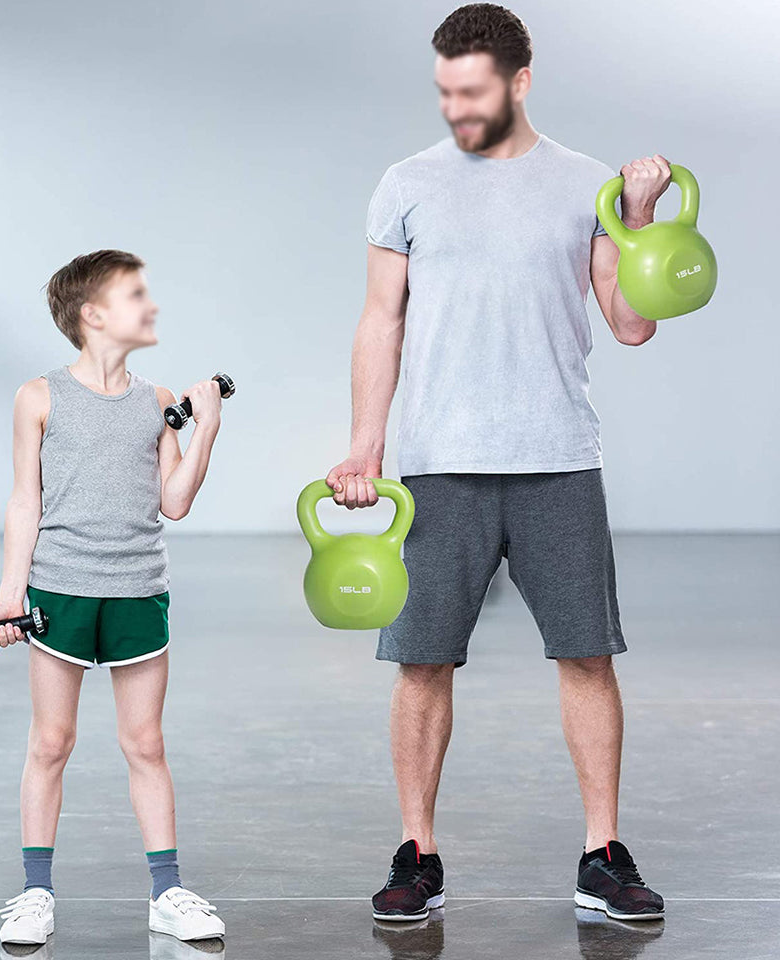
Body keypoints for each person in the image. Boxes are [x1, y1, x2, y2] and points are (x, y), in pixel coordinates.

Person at [326, 4, 666, 923]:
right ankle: (417, 852)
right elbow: (380, 321)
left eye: (472, 89)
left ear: (519, 82)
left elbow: (631, 323)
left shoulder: (586, 183)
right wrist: (367, 442)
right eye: (445, 89)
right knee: (421, 660)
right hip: (439, 464)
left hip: (558, 456)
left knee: (588, 657)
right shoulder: (406, 183)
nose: (456, 105)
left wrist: (635, 216)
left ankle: (602, 854)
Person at [0, 249, 226, 945]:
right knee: (51, 741)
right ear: (93, 315)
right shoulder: (40, 396)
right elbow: (25, 501)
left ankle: (168, 892)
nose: (150, 306)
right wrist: (8, 594)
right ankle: (34, 894)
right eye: (135, 295)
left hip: (137, 590)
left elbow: (173, 501)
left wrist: (206, 429)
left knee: (145, 742)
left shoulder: (156, 404)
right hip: (59, 588)